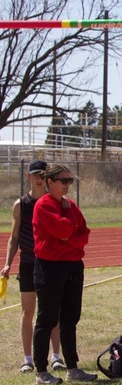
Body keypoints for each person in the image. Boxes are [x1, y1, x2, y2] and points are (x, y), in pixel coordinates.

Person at [31, 164, 95, 385]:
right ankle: (41, 371)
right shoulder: (44, 206)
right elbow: (65, 230)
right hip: (50, 267)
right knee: (47, 318)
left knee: (70, 318)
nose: (68, 185)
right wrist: (69, 229)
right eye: (63, 180)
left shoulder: (71, 205)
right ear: (50, 182)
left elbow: (83, 232)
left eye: (70, 181)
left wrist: (71, 239)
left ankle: (73, 368)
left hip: (73, 265)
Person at [1, 160, 64, 373]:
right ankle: (27, 358)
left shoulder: (54, 201)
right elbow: (14, 236)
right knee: (28, 311)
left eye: (42, 174)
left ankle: (56, 356)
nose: (39, 178)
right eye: (35, 174)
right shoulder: (21, 204)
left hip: (49, 262)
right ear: (28, 177)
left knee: (51, 311)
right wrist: (8, 263)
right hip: (28, 262)